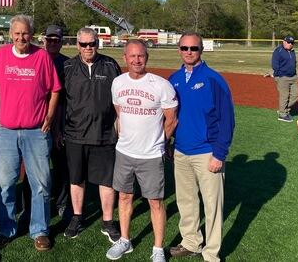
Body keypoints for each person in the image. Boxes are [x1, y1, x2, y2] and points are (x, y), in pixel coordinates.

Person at [0, 15, 61, 251]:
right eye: (17, 33)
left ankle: (39, 230)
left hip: (35, 132)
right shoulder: (0, 56)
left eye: (26, 33)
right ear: (11, 34)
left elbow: (55, 90)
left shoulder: (41, 56)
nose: (21, 37)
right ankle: (6, 229)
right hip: (7, 132)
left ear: (32, 34)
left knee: (40, 183)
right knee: (6, 183)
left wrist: (49, 116)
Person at [106, 40, 178, 262]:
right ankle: (125, 239)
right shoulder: (118, 83)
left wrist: (160, 143)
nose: (137, 60)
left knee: (155, 202)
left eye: (141, 56)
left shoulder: (161, 85)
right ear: (125, 58)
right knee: (125, 196)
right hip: (125, 152)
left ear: (146, 57)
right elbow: (120, 114)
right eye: (132, 56)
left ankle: (157, 248)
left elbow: (171, 120)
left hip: (151, 155)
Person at [168, 32, 235, 262]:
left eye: (193, 48)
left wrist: (219, 153)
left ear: (201, 50)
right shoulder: (173, 79)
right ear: (179, 49)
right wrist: (169, 142)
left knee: (213, 206)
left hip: (207, 152)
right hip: (181, 151)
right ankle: (191, 242)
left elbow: (227, 120)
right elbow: (170, 116)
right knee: (186, 202)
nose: (188, 52)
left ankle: (211, 253)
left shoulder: (213, 79)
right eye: (184, 48)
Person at [62, 27, 122, 243]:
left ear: (98, 43)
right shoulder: (67, 66)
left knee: (107, 181)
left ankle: (107, 220)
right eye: (84, 44)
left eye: (92, 44)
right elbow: (60, 102)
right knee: (76, 179)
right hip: (75, 134)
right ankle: (77, 217)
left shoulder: (110, 65)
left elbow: (120, 99)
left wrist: (119, 126)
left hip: (105, 134)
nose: (88, 48)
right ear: (77, 45)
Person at [20, 25, 71, 223]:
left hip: (59, 122)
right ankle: (28, 207)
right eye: (49, 39)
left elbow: (64, 98)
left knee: (61, 166)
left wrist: (58, 128)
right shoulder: (35, 58)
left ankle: (61, 203)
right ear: (43, 40)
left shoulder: (67, 64)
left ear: (61, 41)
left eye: (56, 40)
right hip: (36, 124)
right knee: (32, 170)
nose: (52, 43)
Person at [271, 36, 298, 122]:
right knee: (284, 96)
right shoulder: (278, 51)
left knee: (296, 94)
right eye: (288, 42)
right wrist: (280, 75)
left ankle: (283, 109)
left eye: (292, 43)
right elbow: (274, 65)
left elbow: (294, 63)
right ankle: (282, 115)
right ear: (284, 41)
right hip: (282, 77)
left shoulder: (293, 51)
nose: (290, 44)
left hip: (293, 77)